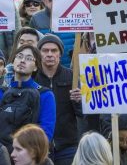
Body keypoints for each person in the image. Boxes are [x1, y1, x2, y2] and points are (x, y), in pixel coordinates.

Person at [35, 34, 82, 165]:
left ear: (60, 54)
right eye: (45, 50)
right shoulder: (33, 78)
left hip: (67, 145)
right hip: (39, 145)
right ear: (39, 53)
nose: (49, 54)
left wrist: (79, 101)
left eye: (54, 50)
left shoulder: (72, 77)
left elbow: (82, 113)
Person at [0, 45, 56, 151]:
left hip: (30, 155)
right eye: (19, 56)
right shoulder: (2, 92)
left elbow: (45, 134)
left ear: (35, 67)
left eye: (29, 58)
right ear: (13, 61)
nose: (22, 61)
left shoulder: (45, 95)